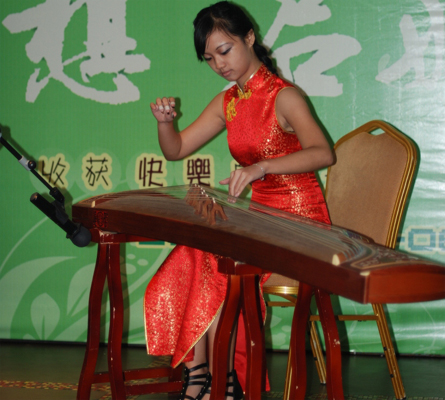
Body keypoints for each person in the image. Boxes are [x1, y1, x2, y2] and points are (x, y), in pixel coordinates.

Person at [144, 2, 334, 399]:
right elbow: (176, 149)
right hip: (261, 218)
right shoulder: (229, 101)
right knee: (192, 252)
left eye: (224, 51)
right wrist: (165, 124)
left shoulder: (284, 96)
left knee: (218, 261)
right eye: (209, 58)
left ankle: (223, 379)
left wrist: (262, 167)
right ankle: (203, 375)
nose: (219, 64)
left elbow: (323, 153)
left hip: (300, 220)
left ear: (249, 37)